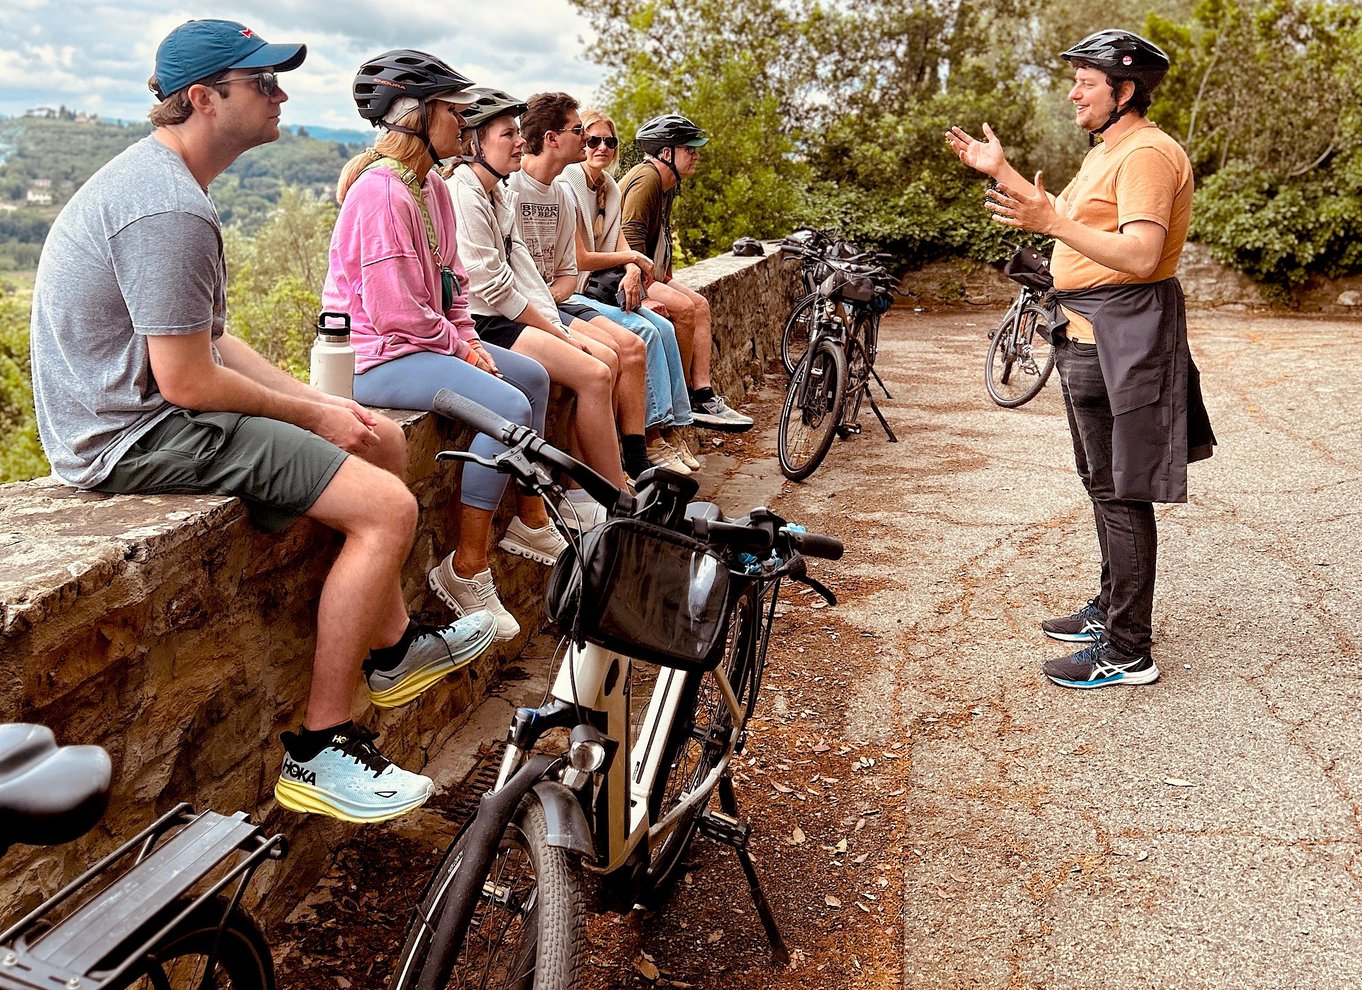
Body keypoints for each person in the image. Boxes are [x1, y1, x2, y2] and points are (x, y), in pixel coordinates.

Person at [27, 21, 498, 824]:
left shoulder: (172, 185)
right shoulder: (166, 208)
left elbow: (213, 341)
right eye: (265, 82)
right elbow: (187, 382)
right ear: (205, 99)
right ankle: (321, 747)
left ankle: (390, 651)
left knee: (377, 436)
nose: (283, 95)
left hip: (147, 412)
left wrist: (327, 407)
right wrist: (310, 412)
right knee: (388, 507)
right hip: (129, 436)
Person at [947, 29, 1215, 690]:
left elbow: (1142, 255)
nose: (1074, 91)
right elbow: (1063, 214)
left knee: (1122, 490)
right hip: (1087, 332)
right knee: (1102, 483)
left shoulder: (1148, 154)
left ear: (1124, 89)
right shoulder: (1109, 152)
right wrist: (1003, 173)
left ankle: (1128, 648)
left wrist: (1052, 224)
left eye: (1086, 81)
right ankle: (1110, 609)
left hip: (1120, 338)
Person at [322, 50, 568, 644]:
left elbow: (452, 282)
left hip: (420, 343)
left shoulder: (431, 185)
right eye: (453, 111)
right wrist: (459, 349)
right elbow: (393, 314)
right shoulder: (382, 194)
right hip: (378, 358)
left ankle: (529, 515)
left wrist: (464, 336)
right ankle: (467, 567)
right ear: (415, 116)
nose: (463, 121)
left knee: (531, 378)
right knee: (507, 407)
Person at [448, 88, 628, 529]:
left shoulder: (496, 193)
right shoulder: (464, 192)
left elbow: (524, 267)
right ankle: (616, 496)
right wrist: (553, 328)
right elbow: (492, 286)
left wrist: (553, 322)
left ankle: (588, 491)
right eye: (507, 134)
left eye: (517, 132)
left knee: (601, 360)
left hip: (510, 315)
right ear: (476, 143)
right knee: (595, 372)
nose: (519, 142)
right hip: (487, 321)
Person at [507, 92, 655, 481]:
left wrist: (553, 296)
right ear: (552, 138)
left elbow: (569, 272)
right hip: (519, 311)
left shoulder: (560, 193)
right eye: (581, 133)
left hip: (554, 301)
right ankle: (602, 484)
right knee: (600, 363)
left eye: (604, 139)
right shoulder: (510, 189)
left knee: (625, 350)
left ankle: (617, 470)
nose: (590, 141)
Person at [559, 108, 700, 475]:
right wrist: (633, 258)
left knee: (665, 327)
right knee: (644, 335)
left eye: (609, 141)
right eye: (592, 140)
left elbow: (622, 240)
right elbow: (581, 259)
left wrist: (634, 268)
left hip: (601, 288)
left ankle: (673, 429)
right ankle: (650, 440)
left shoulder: (609, 184)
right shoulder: (570, 180)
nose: (601, 147)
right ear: (579, 141)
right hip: (579, 291)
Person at [620, 113, 753, 432]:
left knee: (701, 306)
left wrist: (665, 276)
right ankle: (677, 397)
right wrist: (645, 283)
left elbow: (660, 240)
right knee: (682, 309)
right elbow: (630, 230)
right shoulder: (648, 178)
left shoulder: (667, 184)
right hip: (626, 273)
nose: (696, 155)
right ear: (666, 153)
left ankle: (703, 394)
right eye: (688, 149)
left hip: (651, 271)